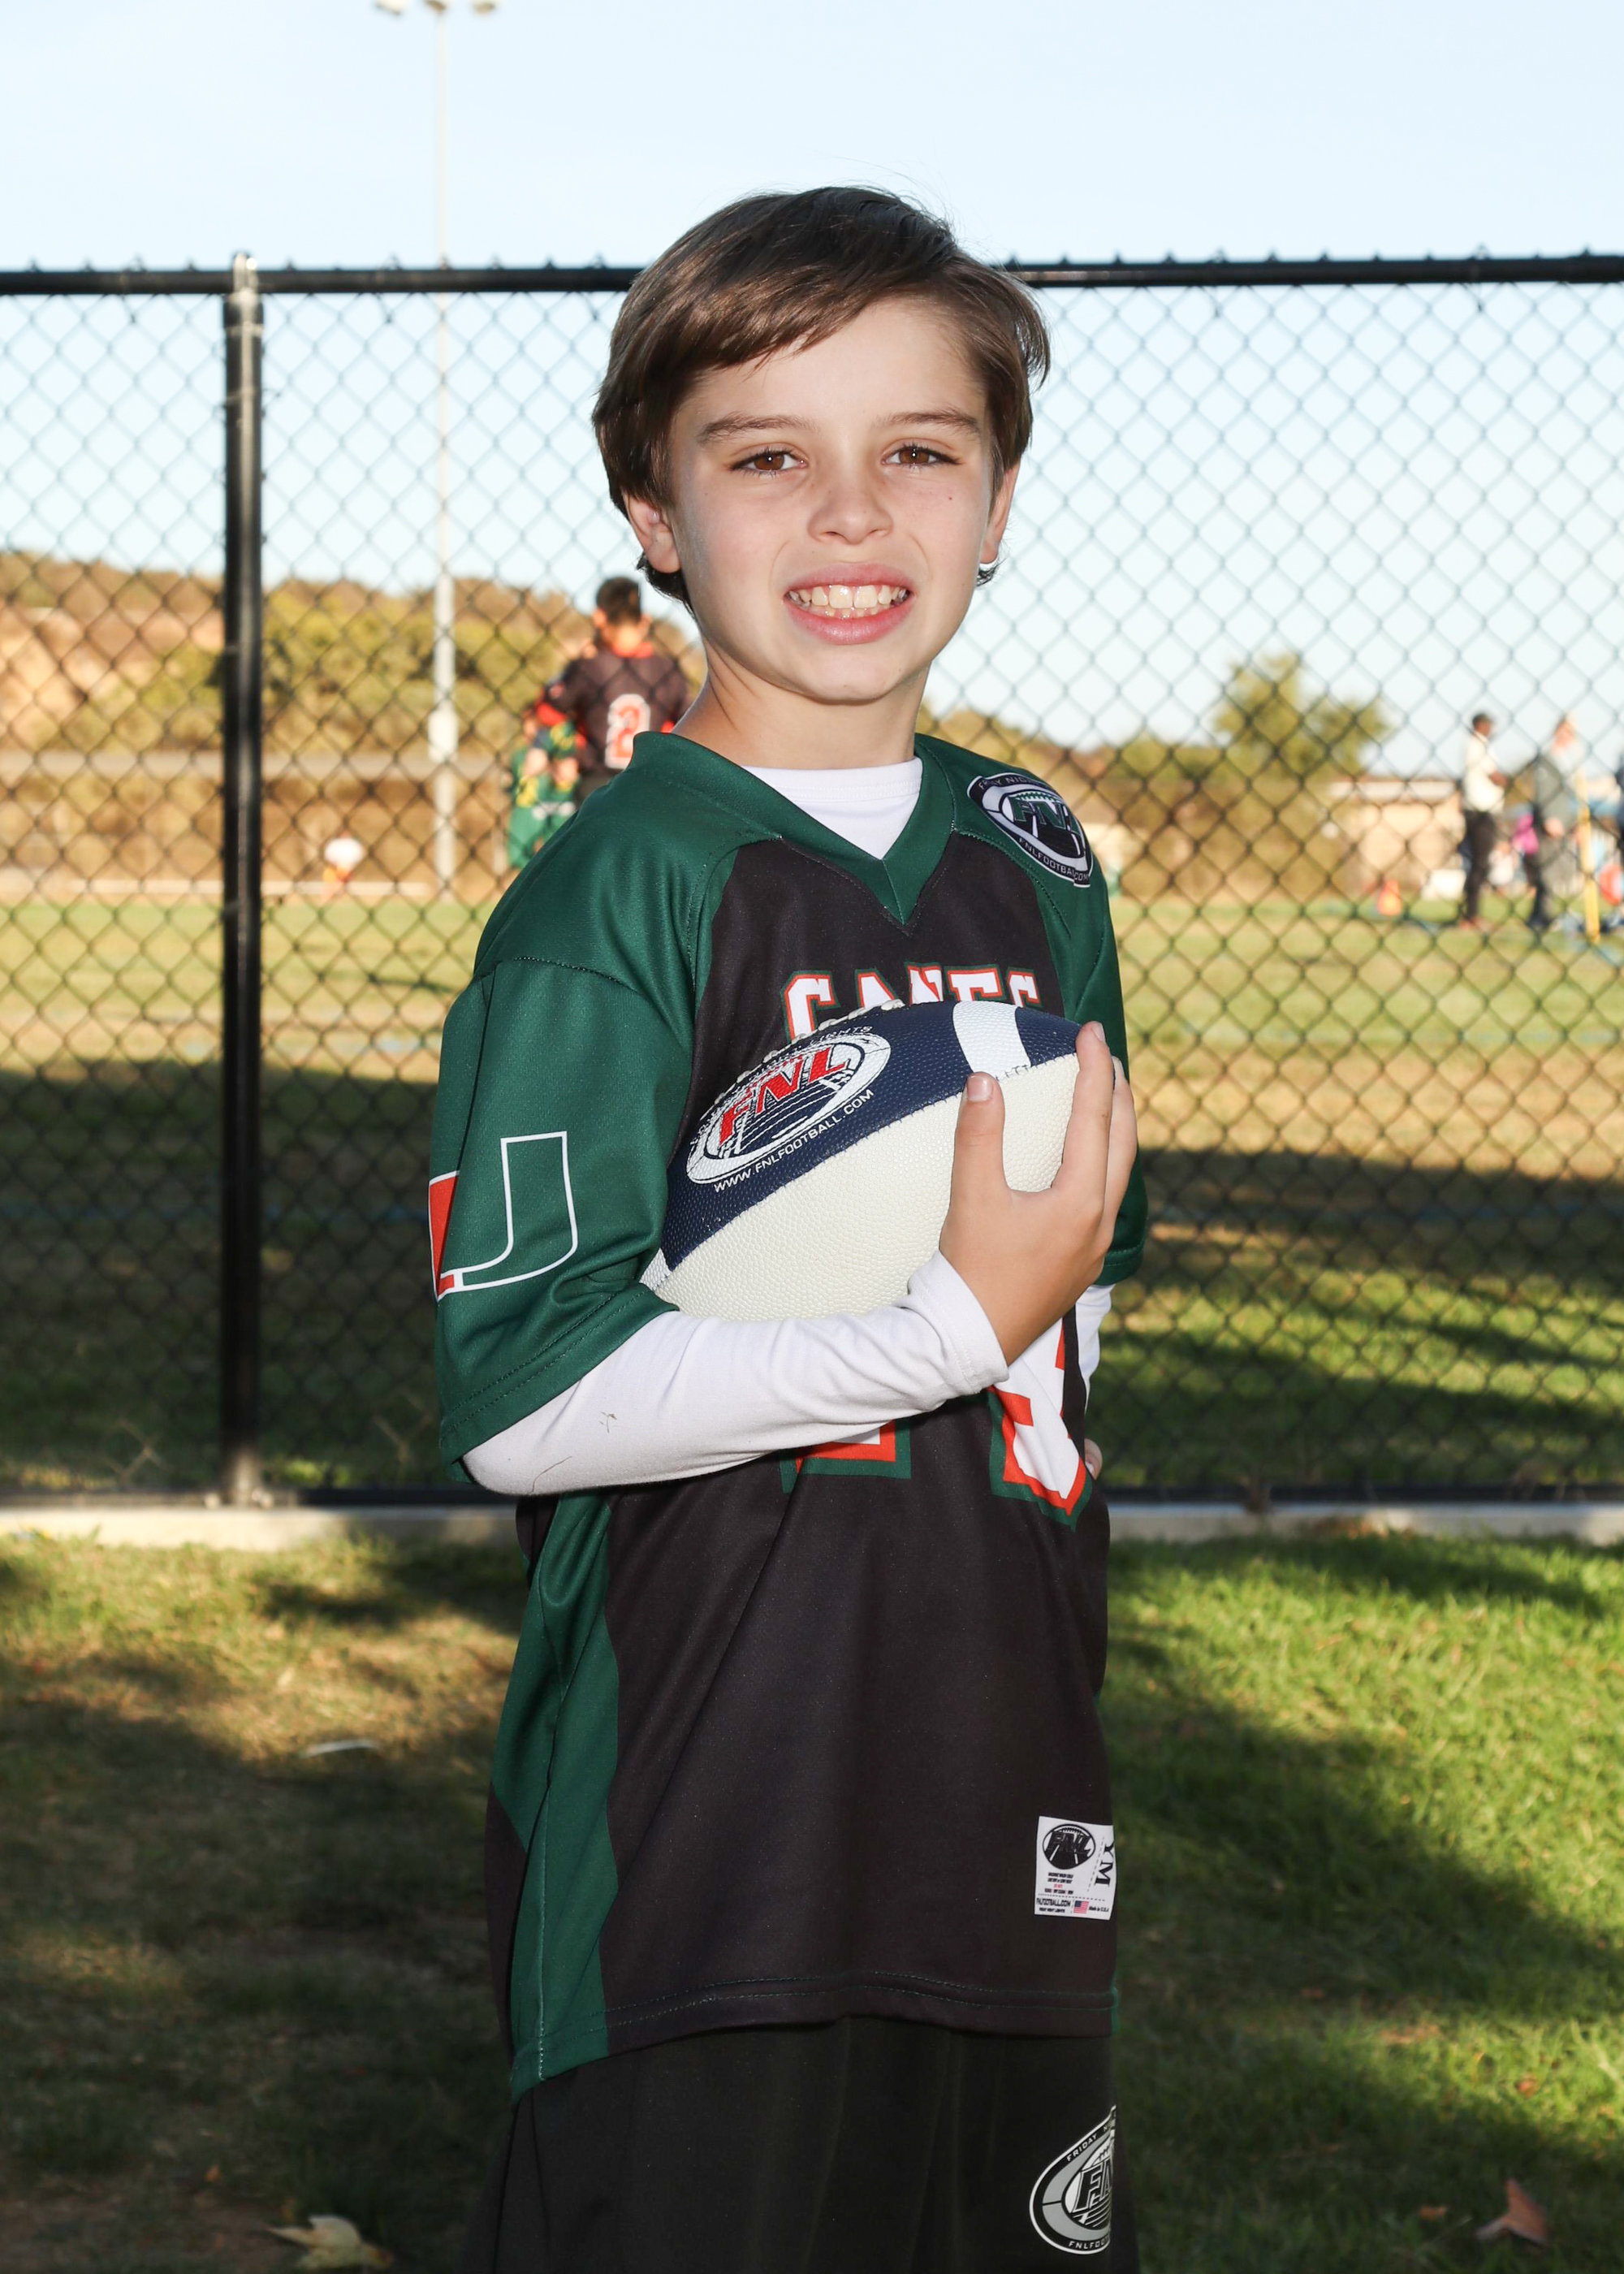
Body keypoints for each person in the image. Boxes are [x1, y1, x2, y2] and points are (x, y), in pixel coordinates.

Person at [433, 188, 1147, 2273]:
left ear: (996, 501)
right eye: (766, 456)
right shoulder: (613, 893)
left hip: (999, 1767)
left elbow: (1064, 1307)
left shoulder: (1033, 850)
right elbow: (520, 1400)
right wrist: (931, 1330)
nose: (850, 513)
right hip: (707, 1825)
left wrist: (988, 1333)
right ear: (655, 513)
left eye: (917, 449)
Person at [544, 575, 690, 793]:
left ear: (599, 618)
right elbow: (688, 725)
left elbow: (546, 714)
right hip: (649, 785)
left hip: (597, 786)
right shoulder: (668, 670)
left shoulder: (590, 666)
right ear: (644, 620)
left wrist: (574, 663)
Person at [505, 698, 582, 871]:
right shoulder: (522, 753)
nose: (528, 728)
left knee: (558, 859)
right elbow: (529, 769)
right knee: (520, 859)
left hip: (562, 805)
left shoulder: (565, 734)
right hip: (528, 806)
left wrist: (551, 761)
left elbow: (567, 773)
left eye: (531, 721)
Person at [1528, 715, 1582, 932]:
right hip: (1551, 823)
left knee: (1558, 869)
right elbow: (1543, 791)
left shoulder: (1569, 760)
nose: (1569, 737)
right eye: (1566, 731)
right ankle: (1543, 916)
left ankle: (1539, 915)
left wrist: (1575, 823)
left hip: (1566, 822)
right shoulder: (1547, 758)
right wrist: (1549, 818)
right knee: (1548, 870)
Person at [1458, 710, 1504, 928]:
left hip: (1478, 810)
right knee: (1480, 863)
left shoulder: (1474, 745)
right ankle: (1472, 914)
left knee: (1478, 863)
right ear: (1480, 725)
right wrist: (1506, 780)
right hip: (1481, 811)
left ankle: (1470, 912)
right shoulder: (1478, 745)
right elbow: (1493, 775)